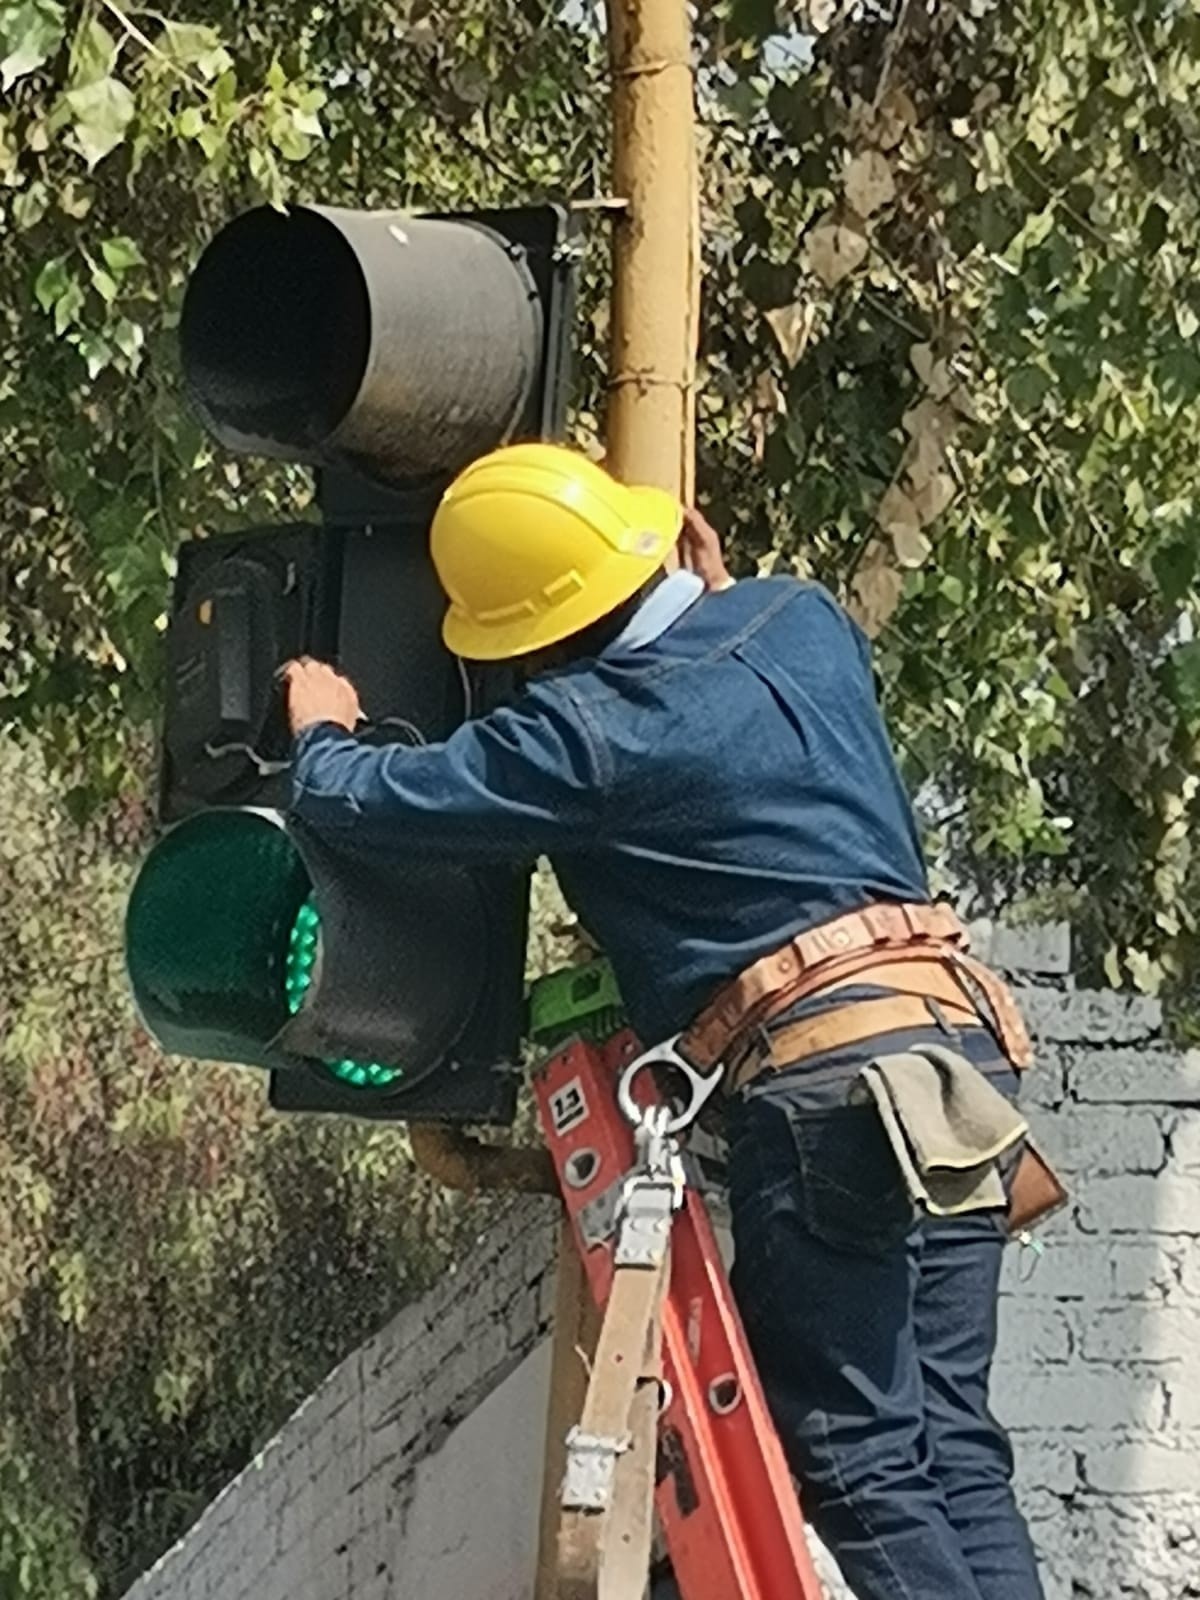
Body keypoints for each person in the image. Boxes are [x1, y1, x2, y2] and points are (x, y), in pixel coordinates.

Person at [283, 443, 1047, 1600]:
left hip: (825, 1092)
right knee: (952, 1442)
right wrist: (710, 591)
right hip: (955, 1053)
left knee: (858, 1458)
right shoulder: (803, 619)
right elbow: (729, 656)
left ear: (527, 637)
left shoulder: (591, 736)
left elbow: (374, 805)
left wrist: (322, 732)